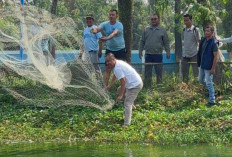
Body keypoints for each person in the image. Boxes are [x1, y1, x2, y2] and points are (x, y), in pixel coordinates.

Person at [104, 53, 143, 126]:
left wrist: (121, 95)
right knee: (119, 90)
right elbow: (115, 75)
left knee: (127, 104)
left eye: (109, 61)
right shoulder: (117, 64)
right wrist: (109, 85)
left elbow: (123, 82)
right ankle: (132, 105)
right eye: (106, 61)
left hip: (135, 85)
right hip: (131, 84)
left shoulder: (117, 67)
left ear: (113, 59)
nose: (107, 63)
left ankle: (126, 124)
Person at [91, 9, 126, 86]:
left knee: (122, 69)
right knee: (107, 69)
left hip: (120, 49)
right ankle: (104, 88)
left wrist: (106, 38)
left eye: (113, 15)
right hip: (110, 50)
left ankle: (123, 87)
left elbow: (114, 33)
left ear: (116, 16)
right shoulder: (105, 24)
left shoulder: (119, 25)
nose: (111, 16)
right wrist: (93, 30)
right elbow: (97, 29)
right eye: (110, 14)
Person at [139, 13, 170, 86]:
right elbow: (142, 41)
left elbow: (166, 42)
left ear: (158, 20)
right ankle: (147, 87)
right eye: (152, 19)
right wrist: (140, 51)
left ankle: (159, 87)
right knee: (147, 73)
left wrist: (168, 52)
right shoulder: (146, 30)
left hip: (158, 55)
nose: (153, 20)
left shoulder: (162, 30)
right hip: (148, 55)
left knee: (159, 73)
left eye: (155, 19)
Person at [197, 25, 218, 105]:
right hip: (202, 65)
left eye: (208, 31)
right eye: (205, 31)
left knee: (209, 83)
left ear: (212, 32)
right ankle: (212, 90)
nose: (206, 32)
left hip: (209, 66)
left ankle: (212, 101)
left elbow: (215, 56)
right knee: (200, 80)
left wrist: (213, 68)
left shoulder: (214, 42)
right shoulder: (203, 40)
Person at [182, 14, 201, 82]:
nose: (185, 22)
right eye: (184, 20)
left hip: (194, 54)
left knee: (196, 72)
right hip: (185, 55)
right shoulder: (184, 30)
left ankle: (197, 85)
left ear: (191, 20)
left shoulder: (196, 30)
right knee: (184, 73)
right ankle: (185, 86)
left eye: (187, 20)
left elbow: (199, 42)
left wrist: (199, 53)